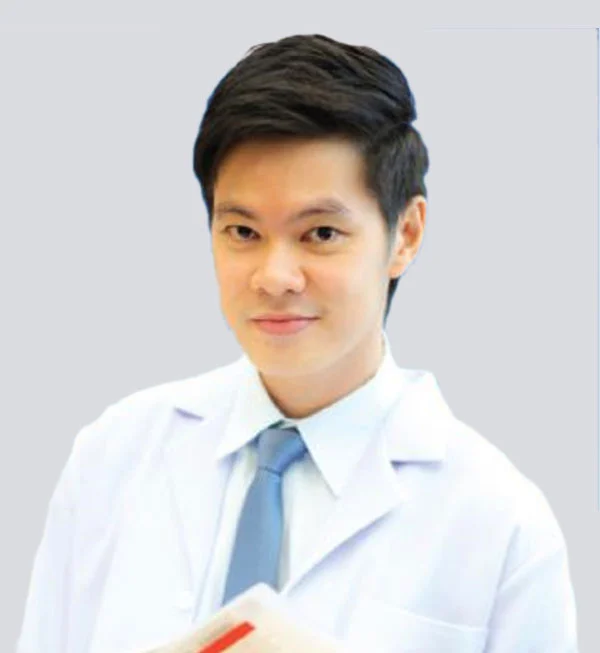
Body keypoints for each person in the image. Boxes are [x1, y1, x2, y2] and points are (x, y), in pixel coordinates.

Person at [17, 34, 578, 653]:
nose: (274, 277)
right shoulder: (113, 458)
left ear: (406, 235)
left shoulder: (499, 523)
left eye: (321, 234)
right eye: (242, 231)